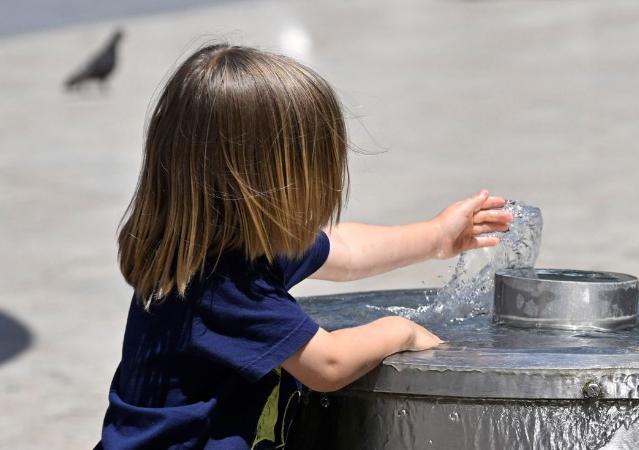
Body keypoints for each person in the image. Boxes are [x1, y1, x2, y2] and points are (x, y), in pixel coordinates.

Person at [95, 44, 512, 450]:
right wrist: (397, 330)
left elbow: (344, 249)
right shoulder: (223, 284)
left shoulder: (219, 245)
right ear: (266, 182)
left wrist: (437, 236)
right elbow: (328, 365)